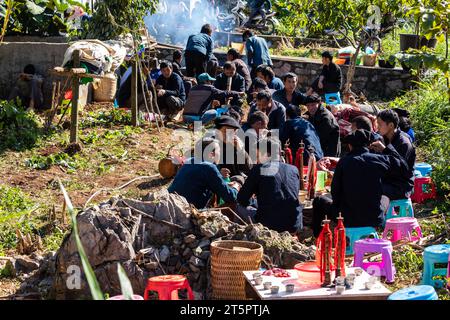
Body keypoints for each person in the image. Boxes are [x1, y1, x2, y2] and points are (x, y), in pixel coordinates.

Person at [312, 129, 411, 237]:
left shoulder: (344, 162)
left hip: (346, 218)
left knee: (319, 201)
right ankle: (381, 226)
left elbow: (335, 192)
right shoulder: (379, 160)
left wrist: (339, 206)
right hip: (374, 217)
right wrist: (386, 149)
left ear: (350, 146)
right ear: (369, 145)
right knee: (385, 197)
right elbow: (404, 167)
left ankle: (318, 237)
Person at [237, 137, 302, 233]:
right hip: (294, 223)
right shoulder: (293, 169)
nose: (257, 159)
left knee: (238, 206)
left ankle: (245, 235)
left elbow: (242, 199)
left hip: (268, 224)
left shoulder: (259, 169)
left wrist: (251, 201)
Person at [168, 137, 241, 209]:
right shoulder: (209, 167)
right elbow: (230, 197)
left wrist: (224, 184)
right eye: (219, 152)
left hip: (170, 204)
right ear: (211, 154)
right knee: (235, 202)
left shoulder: (189, 161)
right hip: (186, 211)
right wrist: (236, 188)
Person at [371, 109, 416, 200]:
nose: (377, 127)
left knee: (369, 190)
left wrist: (384, 150)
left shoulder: (404, 143)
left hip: (401, 185)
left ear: (391, 125)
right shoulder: (384, 137)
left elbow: (400, 169)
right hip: (387, 180)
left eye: (380, 124)